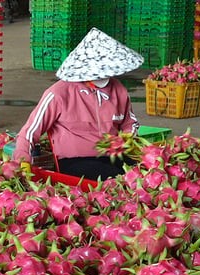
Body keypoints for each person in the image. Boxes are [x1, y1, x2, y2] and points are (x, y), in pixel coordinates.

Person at [13, 27, 144, 181]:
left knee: (145, 173)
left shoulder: (118, 90)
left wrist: (127, 138)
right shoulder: (58, 93)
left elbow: (130, 123)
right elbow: (30, 130)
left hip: (113, 155)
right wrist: (22, 159)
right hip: (73, 161)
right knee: (118, 179)